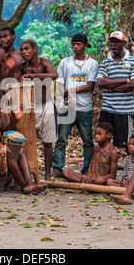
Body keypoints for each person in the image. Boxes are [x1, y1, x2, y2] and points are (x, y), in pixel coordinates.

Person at [52, 33, 98, 177]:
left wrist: (72, 90)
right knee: (61, 139)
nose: (75, 47)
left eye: (78, 44)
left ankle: (87, 170)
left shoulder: (92, 64)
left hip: (84, 108)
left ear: (85, 46)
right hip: (67, 108)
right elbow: (60, 84)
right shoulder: (65, 62)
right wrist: (65, 98)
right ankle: (57, 168)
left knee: (88, 141)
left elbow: (90, 86)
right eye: (73, 44)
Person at [13, 39, 59, 180]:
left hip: (46, 105)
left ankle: (47, 175)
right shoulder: (21, 67)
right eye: (22, 49)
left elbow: (54, 75)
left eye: (27, 49)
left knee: (48, 142)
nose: (24, 52)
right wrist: (19, 80)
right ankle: (29, 174)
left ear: (35, 50)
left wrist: (35, 76)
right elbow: (12, 83)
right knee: (27, 141)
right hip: (29, 106)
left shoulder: (44, 63)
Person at [98, 31, 134, 153]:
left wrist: (111, 85)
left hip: (124, 109)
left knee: (128, 143)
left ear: (124, 43)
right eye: (112, 41)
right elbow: (101, 82)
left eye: (117, 42)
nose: (114, 44)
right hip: (107, 107)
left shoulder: (133, 61)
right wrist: (125, 80)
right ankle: (103, 168)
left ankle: (131, 168)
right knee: (102, 140)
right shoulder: (105, 62)